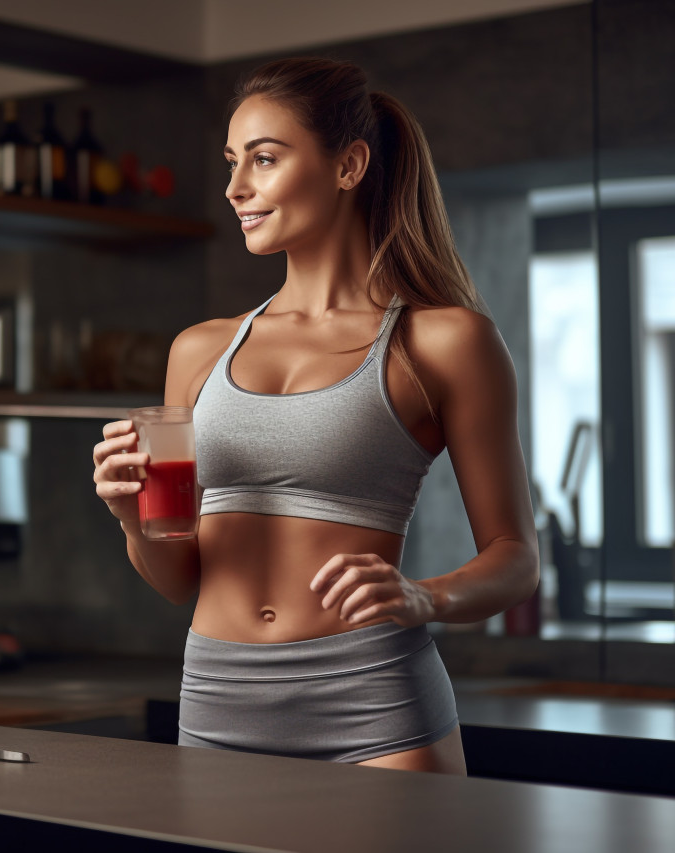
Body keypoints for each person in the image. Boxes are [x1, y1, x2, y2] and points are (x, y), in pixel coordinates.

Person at [92, 57, 539, 774]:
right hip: (216, 701)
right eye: (233, 163)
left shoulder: (443, 340)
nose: (236, 188)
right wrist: (130, 515)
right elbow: (179, 577)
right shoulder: (198, 350)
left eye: (264, 160)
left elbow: (516, 558)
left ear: (348, 165)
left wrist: (426, 595)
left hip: (375, 709)